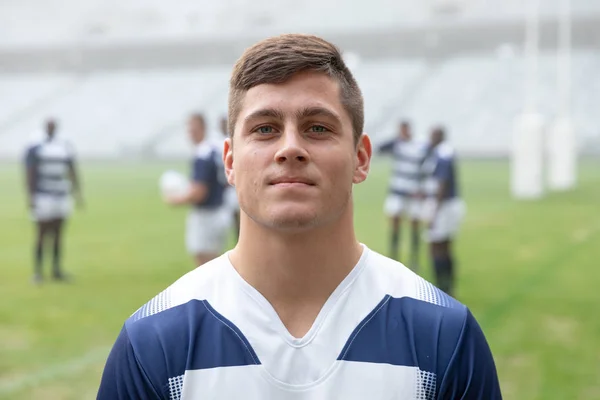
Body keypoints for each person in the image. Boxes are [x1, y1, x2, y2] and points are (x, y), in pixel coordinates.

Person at [98, 34, 501, 399]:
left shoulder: (443, 337)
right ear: (230, 161)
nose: (290, 148)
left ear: (361, 158)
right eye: (265, 129)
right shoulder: (153, 341)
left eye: (318, 128)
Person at [164, 113, 230, 267]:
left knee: (205, 264)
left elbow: (200, 192)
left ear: (202, 128)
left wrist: (175, 200)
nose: (190, 133)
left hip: (206, 216)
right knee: (215, 262)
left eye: (193, 129)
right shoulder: (214, 150)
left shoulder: (202, 154)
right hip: (220, 210)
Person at [24, 118, 83, 284]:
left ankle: (56, 270)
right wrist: (31, 195)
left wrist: (77, 192)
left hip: (61, 194)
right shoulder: (36, 146)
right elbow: (29, 172)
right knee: (42, 233)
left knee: (58, 233)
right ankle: (37, 272)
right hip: (43, 194)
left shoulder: (64, 145)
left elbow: (72, 169)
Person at [421, 126, 466, 297]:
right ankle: (448, 286)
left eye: (432, 135)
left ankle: (441, 286)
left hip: (444, 205)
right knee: (445, 246)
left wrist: (434, 211)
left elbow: (442, 184)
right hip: (448, 204)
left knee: (436, 246)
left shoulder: (442, 154)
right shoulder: (443, 152)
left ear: (438, 136)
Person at [378, 120, 428, 270]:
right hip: (397, 192)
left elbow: (425, 167)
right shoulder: (397, 144)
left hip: (413, 193)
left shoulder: (420, 145)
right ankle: (394, 258)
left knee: (414, 226)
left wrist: (422, 189)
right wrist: (396, 138)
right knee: (395, 225)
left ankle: (414, 259)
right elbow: (380, 148)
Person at [219, 115, 241, 240]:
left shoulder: (235, 139)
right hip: (226, 187)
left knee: (240, 216)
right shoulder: (218, 142)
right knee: (231, 217)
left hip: (234, 186)